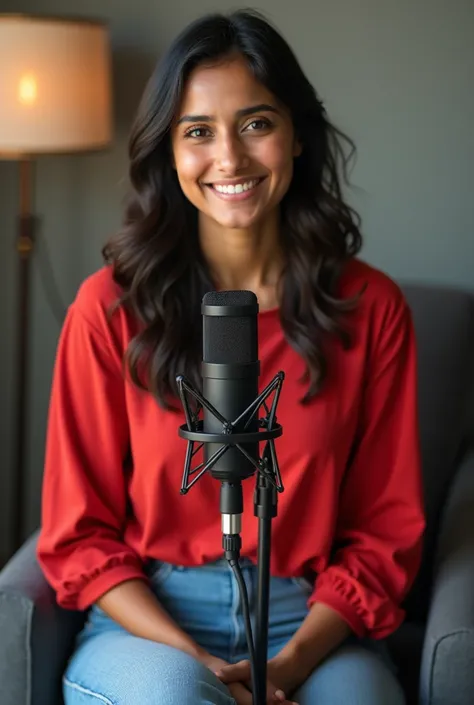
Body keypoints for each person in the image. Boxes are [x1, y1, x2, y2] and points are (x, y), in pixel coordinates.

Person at [37, 9, 425, 705]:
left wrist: (292, 664)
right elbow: (78, 536)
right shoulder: (107, 310)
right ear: (168, 151)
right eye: (197, 132)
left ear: (296, 134)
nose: (230, 159)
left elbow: (384, 532)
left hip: (310, 618)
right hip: (149, 618)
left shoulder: (373, 309)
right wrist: (199, 666)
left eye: (256, 123)